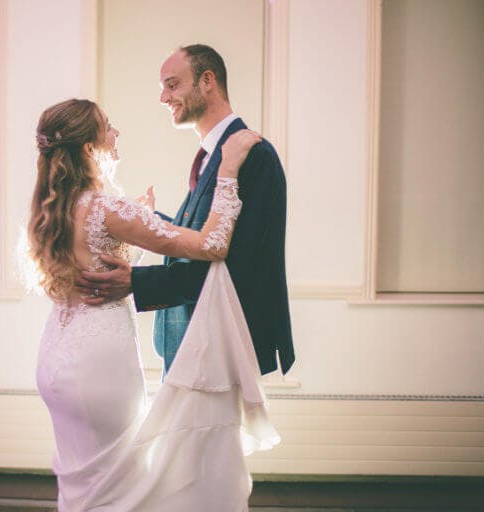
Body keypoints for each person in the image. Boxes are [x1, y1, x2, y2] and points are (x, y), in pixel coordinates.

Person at [31, 98, 276, 511]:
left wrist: (132, 231)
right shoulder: (107, 208)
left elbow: (100, 263)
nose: (117, 133)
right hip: (99, 363)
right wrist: (229, 171)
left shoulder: (51, 205)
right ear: (89, 148)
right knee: (120, 478)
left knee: (84, 477)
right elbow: (213, 244)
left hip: (57, 356)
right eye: (108, 126)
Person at [77, 44, 295, 377]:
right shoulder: (213, 155)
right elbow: (201, 236)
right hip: (191, 342)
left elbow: (236, 263)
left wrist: (136, 280)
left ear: (207, 81)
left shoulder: (253, 155)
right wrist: (154, 222)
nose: (163, 97)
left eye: (172, 84)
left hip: (220, 346)